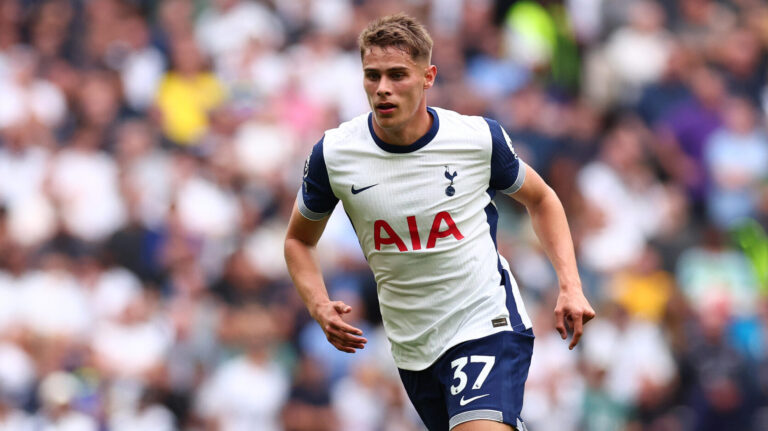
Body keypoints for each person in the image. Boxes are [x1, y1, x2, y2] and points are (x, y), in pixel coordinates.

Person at [284, 13, 595, 431]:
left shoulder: (475, 139)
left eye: (397, 75)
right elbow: (298, 241)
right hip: (413, 346)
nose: (383, 89)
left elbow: (541, 198)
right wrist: (319, 306)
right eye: (372, 76)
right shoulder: (335, 154)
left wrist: (570, 285)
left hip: (485, 321)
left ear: (428, 76)